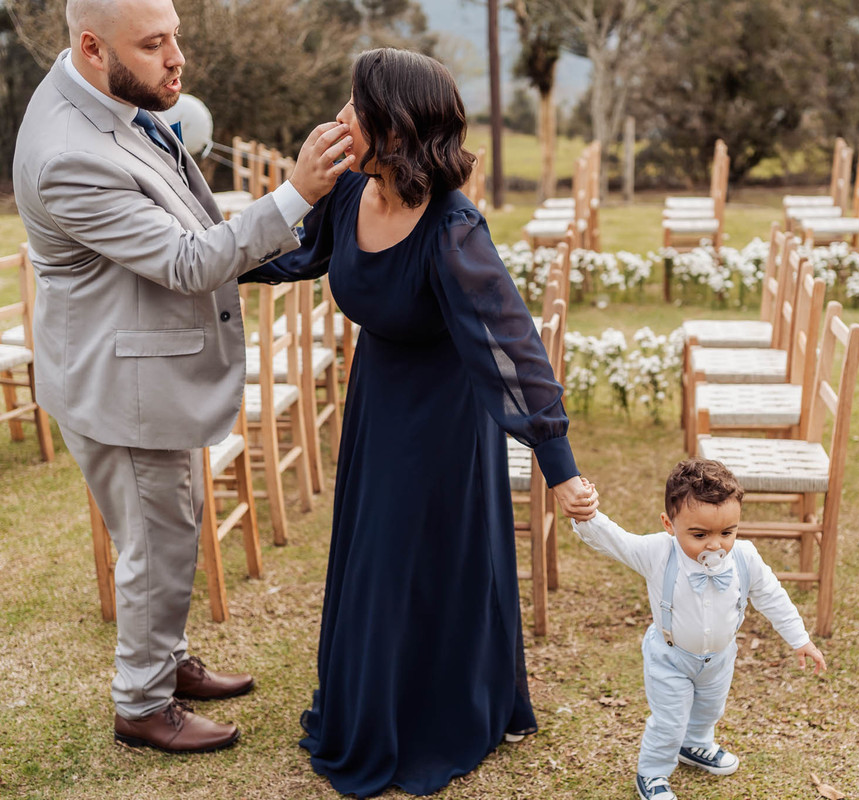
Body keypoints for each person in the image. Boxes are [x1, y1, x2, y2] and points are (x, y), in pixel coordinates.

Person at [240, 47, 598, 797]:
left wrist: (559, 468)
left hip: (440, 425)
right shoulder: (345, 194)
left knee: (412, 562)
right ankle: (370, 707)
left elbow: (514, 349)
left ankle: (433, 716)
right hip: (376, 403)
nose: (339, 118)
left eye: (354, 107)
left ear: (395, 126)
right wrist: (213, 260)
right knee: (372, 555)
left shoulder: (453, 230)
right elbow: (299, 256)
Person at [12, 0, 353, 754]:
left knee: (175, 526)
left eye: (177, 36)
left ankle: (165, 664)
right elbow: (186, 262)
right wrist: (296, 193)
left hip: (133, 367)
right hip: (118, 387)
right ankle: (141, 704)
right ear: (94, 47)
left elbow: (181, 219)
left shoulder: (100, 89)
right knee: (155, 545)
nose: (178, 58)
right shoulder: (69, 152)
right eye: (156, 43)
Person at [570, 459, 827, 800]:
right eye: (700, 534)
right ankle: (653, 772)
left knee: (709, 709)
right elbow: (614, 539)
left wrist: (800, 639)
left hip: (719, 658)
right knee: (670, 721)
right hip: (670, 658)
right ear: (669, 523)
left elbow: (772, 596)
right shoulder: (657, 553)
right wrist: (584, 513)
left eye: (727, 532)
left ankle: (695, 745)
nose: (715, 545)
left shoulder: (745, 557)